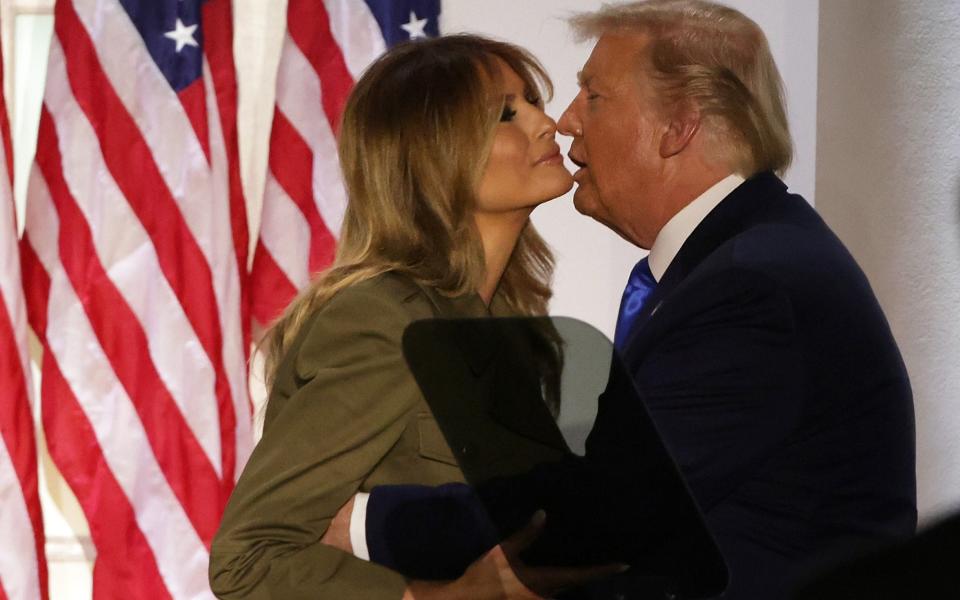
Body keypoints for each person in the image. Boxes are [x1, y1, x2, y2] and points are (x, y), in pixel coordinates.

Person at [328, 2, 918, 599]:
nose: (564, 121)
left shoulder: (753, 288)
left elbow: (592, 517)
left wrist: (357, 521)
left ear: (677, 125)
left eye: (594, 96)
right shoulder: (738, 264)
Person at [208, 35, 617, 600]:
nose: (546, 124)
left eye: (532, 102)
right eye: (505, 114)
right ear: (432, 155)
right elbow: (248, 558)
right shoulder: (382, 317)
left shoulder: (515, 330)